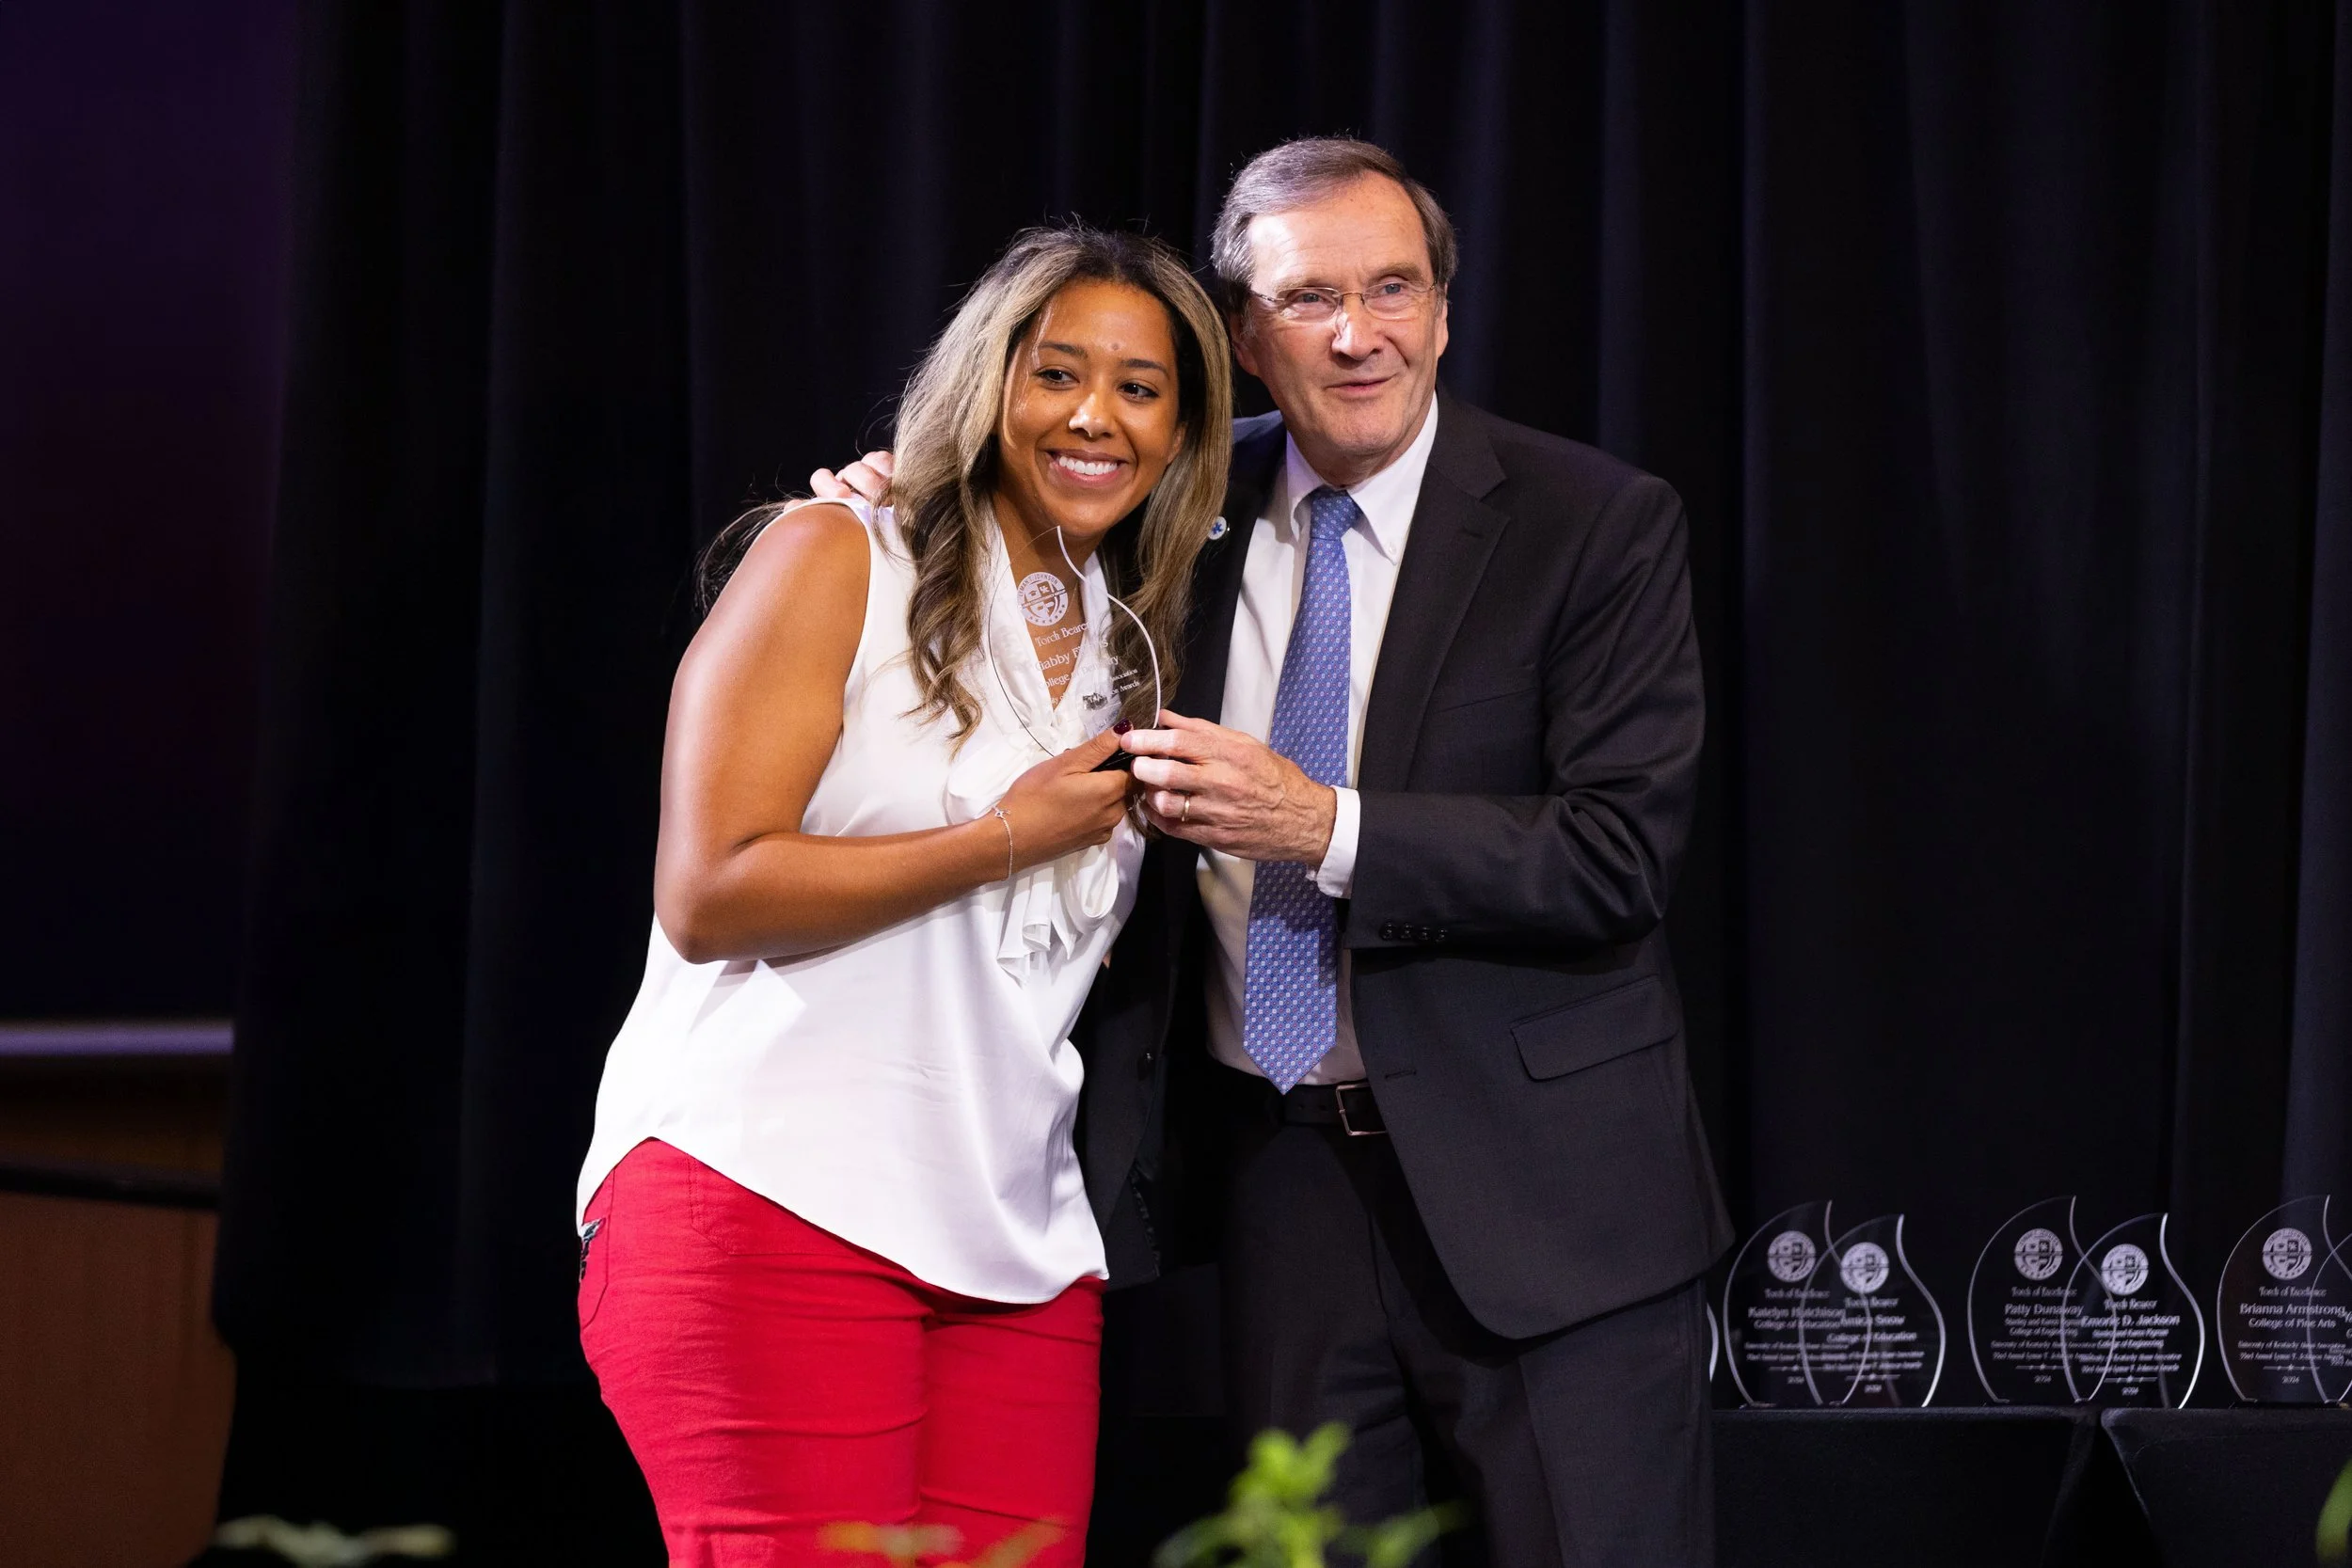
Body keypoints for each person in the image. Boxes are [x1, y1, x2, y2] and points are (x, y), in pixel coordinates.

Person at [818, 138, 1730, 1565]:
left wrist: (1325, 824)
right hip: (1280, 1179)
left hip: (1551, 1202)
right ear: (1242, 334)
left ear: (1442, 310)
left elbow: (1615, 854)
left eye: (1394, 290)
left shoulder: (1594, 524)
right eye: (1311, 299)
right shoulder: (1167, 512)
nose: (1359, 334)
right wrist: (894, 498)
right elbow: (992, 539)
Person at [575, 223, 1232, 1568]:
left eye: (1141, 386)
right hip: (770, 1199)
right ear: (987, 386)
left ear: (1182, 433)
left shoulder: (1133, 649)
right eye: (1057, 373)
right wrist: (1000, 835)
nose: (1095, 414)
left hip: (1018, 1250)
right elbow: (708, 891)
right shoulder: (838, 553)